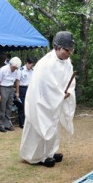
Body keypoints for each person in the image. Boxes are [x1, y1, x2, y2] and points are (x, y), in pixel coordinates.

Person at [20, 31, 76, 167]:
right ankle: (37, 156)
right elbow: (45, 86)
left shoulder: (67, 62)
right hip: (42, 103)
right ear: (58, 48)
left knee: (54, 127)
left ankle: (50, 153)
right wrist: (60, 94)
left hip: (56, 102)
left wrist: (68, 91)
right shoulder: (45, 63)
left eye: (71, 50)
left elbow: (69, 80)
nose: (69, 53)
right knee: (41, 126)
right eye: (67, 50)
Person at [0, 57, 21, 132]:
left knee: (9, 107)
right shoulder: (3, 69)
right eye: (14, 67)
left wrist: (17, 92)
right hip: (3, 87)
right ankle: (0, 124)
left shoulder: (17, 70)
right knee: (2, 106)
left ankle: (7, 124)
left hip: (11, 88)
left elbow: (17, 81)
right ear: (11, 64)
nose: (15, 69)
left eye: (16, 68)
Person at [16, 57, 36, 129]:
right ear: (27, 63)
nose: (32, 67)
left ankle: (28, 121)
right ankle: (22, 123)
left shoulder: (32, 70)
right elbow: (17, 81)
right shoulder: (20, 70)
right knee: (22, 106)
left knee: (29, 106)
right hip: (22, 88)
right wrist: (17, 92)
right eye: (31, 65)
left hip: (30, 89)